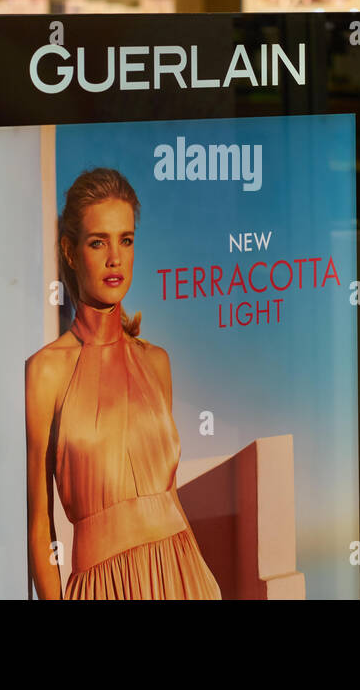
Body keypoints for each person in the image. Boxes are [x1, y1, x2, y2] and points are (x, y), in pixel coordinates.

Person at [25, 168, 221, 600]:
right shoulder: (46, 370)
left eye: (126, 240)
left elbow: (168, 497)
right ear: (70, 252)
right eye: (99, 241)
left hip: (183, 579)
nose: (116, 258)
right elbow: (41, 524)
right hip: (101, 587)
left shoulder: (156, 363)